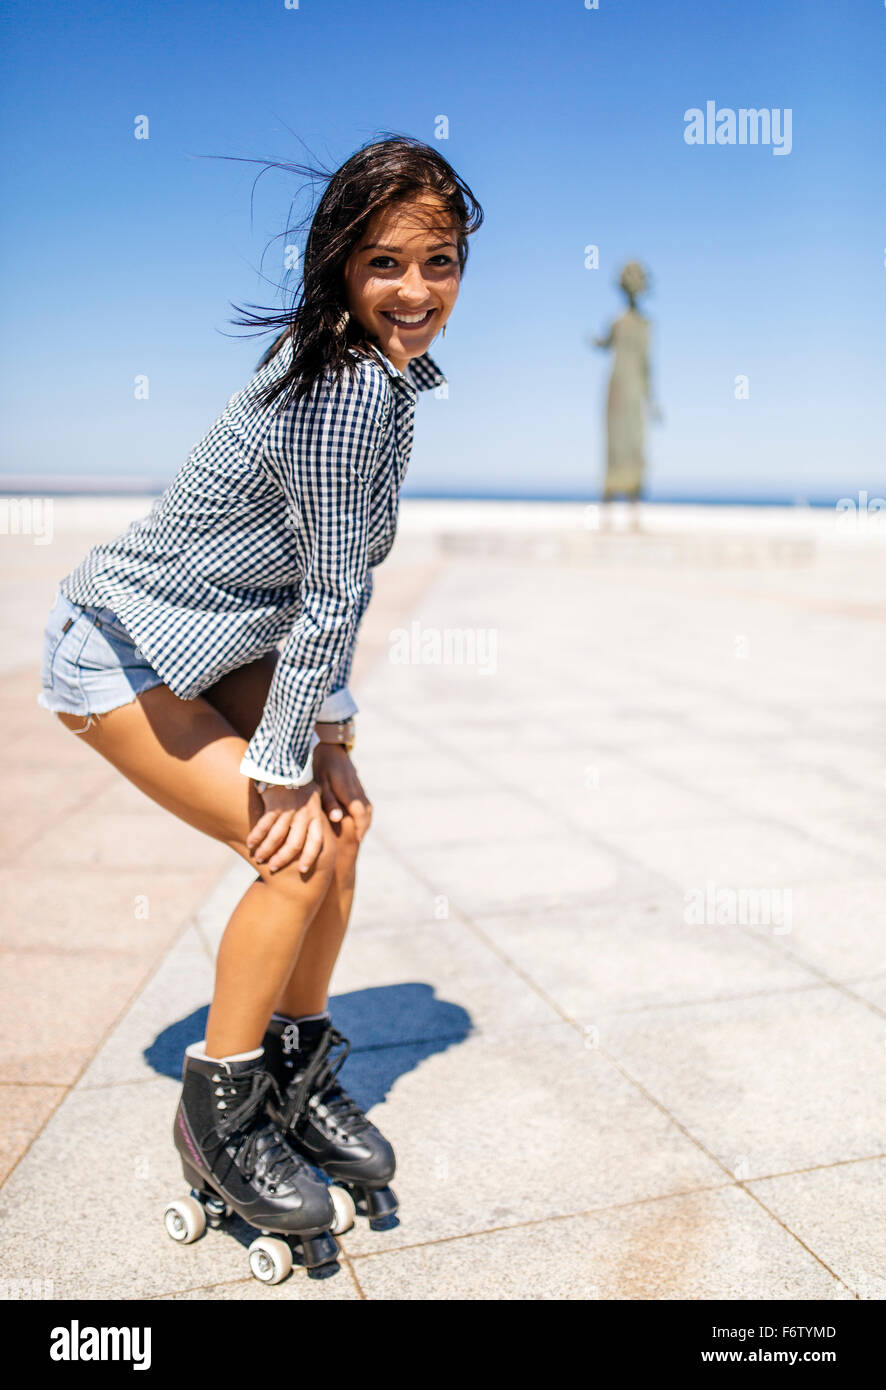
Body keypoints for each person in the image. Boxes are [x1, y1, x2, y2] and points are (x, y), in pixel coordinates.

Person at [35, 135, 483, 1283]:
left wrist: (327, 739)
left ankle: (294, 1068)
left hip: (216, 637)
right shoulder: (341, 388)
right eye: (386, 263)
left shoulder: (375, 374)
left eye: (440, 259)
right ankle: (218, 1112)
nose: (416, 290)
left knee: (346, 827)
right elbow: (333, 588)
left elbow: (309, 583)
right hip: (120, 646)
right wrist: (286, 763)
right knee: (291, 852)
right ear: (341, 262)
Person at [589, 260, 657, 531]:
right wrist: (596, 341)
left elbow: (647, 364)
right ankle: (607, 510)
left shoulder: (646, 325)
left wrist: (651, 400)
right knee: (614, 447)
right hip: (616, 389)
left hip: (634, 390)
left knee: (635, 446)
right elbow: (605, 345)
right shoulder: (617, 322)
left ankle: (634, 510)